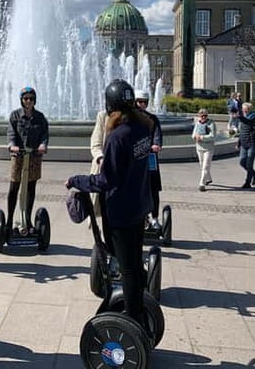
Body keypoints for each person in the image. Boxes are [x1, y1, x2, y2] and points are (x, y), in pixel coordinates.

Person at [66, 79, 154, 328]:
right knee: (135, 263)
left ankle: (133, 317)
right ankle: (137, 309)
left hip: (121, 211)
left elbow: (106, 180)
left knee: (127, 268)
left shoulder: (117, 137)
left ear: (110, 106)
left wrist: (77, 180)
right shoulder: (142, 129)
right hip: (139, 205)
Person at [6, 86, 49, 236]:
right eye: (25, 98)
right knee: (14, 188)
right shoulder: (15, 115)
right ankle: (9, 220)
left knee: (31, 188)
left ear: (34, 100)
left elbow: (44, 134)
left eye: (31, 98)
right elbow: (11, 132)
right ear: (21, 100)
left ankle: (28, 220)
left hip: (34, 156)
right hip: (18, 157)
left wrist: (43, 145)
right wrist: (12, 145)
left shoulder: (40, 117)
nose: (28, 101)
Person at [136, 89, 164, 228]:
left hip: (150, 157)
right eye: (139, 102)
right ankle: (139, 216)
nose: (142, 104)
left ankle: (154, 217)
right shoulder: (129, 120)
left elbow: (157, 136)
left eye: (145, 102)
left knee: (153, 188)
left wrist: (156, 144)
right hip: (135, 159)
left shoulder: (152, 119)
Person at [237, 102, 255, 188]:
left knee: (249, 164)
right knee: (242, 162)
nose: (244, 110)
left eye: (245, 109)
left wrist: (240, 117)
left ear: (249, 109)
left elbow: (249, 122)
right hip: (244, 143)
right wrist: (238, 143)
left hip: (252, 143)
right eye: (243, 109)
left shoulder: (254, 116)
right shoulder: (243, 117)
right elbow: (242, 132)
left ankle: (247, 182)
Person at [192, 108, 216, 191]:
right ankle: (208, 178)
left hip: (208, 148)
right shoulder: (197, 123)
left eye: (205, 115)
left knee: (206, 166)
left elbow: (212, 136)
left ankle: (202, 184)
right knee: (202, 165)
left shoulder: (211, 124)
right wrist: (195, 137)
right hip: (199, 147)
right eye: (201, 116)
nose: (203, 117)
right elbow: (193, 134)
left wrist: (201, 137)